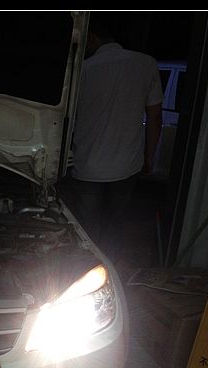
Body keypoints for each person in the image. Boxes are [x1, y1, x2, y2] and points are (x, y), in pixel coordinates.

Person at [69, 14, 163, 263]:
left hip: (87, 166)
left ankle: (86, 270)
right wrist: (149, 158)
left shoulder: (84, 70)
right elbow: (155, 116)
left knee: (85, 230)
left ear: (92, 38)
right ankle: (109, 268)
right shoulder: (146, 64)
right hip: (126, 166)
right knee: (114, 226)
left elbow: (69, 117)